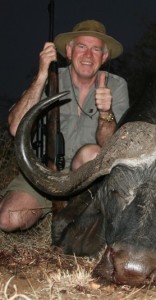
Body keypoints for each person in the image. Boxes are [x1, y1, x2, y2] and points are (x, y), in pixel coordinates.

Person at [0, 20, 129, 232]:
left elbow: (111, 146)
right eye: (81, 46)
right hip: (41, 176)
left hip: (84, 181)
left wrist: (106, 112)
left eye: (96, 49)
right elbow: (15, 128)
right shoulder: (50, 79)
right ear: (68, 51)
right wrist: (41, 75)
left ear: (104, 56)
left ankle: (81, 209)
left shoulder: (116, 85)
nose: (88, 55)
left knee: (93, 153)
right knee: (8, 219)